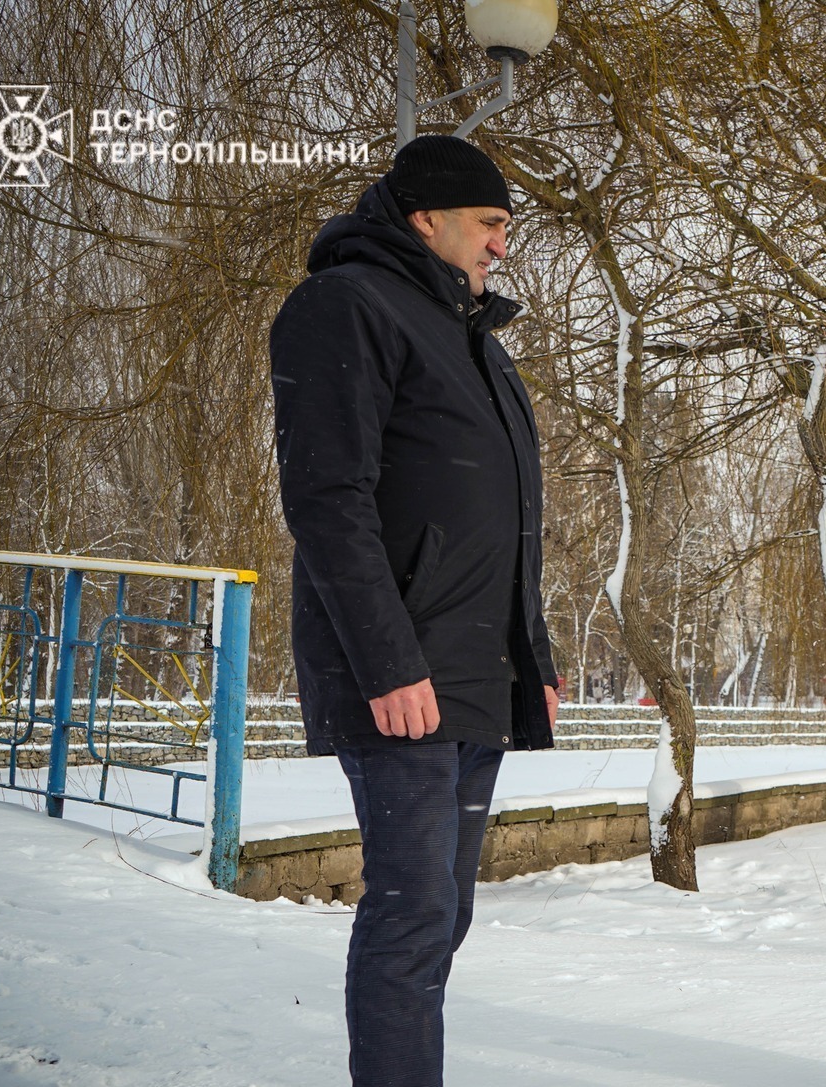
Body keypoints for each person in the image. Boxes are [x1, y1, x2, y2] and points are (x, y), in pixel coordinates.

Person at [270, 134, 561, 1087]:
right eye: (488, 225)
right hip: (403, 672)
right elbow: (327, 498)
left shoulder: (481, 344)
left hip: (479, 671)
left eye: (508, 229)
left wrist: (537, 658)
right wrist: (389, 661)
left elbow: (512, 518)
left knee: (447, 909)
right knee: (412, 913)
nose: (500, 247)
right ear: (425, 216)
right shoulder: (344, 306)